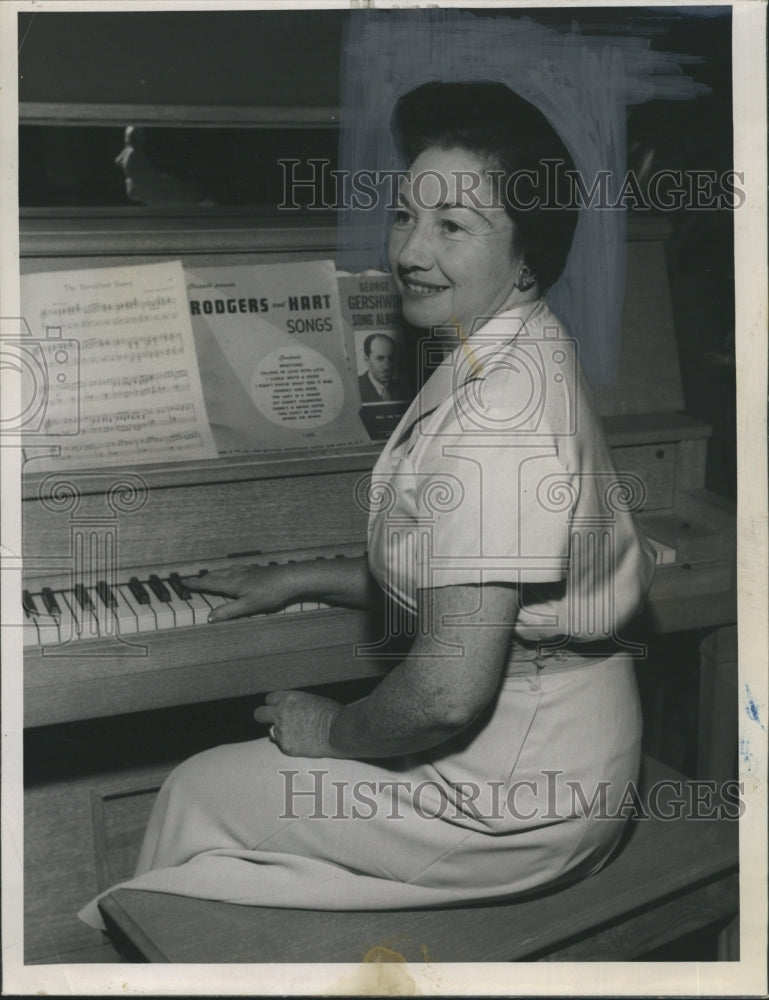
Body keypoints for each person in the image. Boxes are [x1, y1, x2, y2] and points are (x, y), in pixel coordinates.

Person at [79, 81, 655, 926]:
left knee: (199, 786)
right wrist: (297, 576)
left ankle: (175, 957)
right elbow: (458, 569)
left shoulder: (502, 412)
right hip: (558, 759)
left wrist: (332, 729)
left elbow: (446, 694)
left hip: (512, 807)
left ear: (528, 250)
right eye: (403, 216)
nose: (411, 253)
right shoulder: (509, 343)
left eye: (453, 227)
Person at [358, 333, 408, 403]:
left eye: (391, 359)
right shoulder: (356, 388)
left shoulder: (401, 389)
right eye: (380, 358)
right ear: (367, 360)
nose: (387, 366)